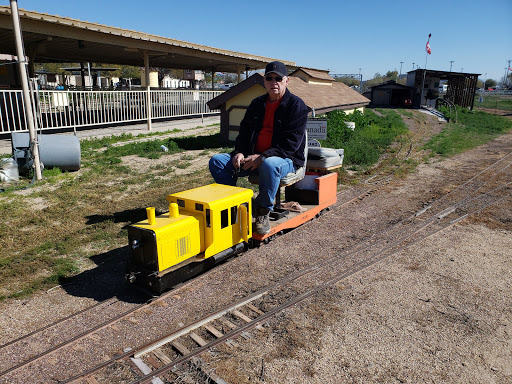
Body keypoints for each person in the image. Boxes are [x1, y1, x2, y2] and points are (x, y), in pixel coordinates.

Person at [209, 61, 309, 235]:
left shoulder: (296, 106)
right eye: (269, 78)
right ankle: (232, 207)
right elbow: (244, 133)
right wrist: (240, 152)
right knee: (217, 161)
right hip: (253, 157)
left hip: (287, 159)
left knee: (270, 164)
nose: (273, 82)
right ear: (264, 81)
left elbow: (290, 145)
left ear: (286, 81)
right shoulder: (256, 104)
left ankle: (262, 211)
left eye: (278, 78)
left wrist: (262, 157)